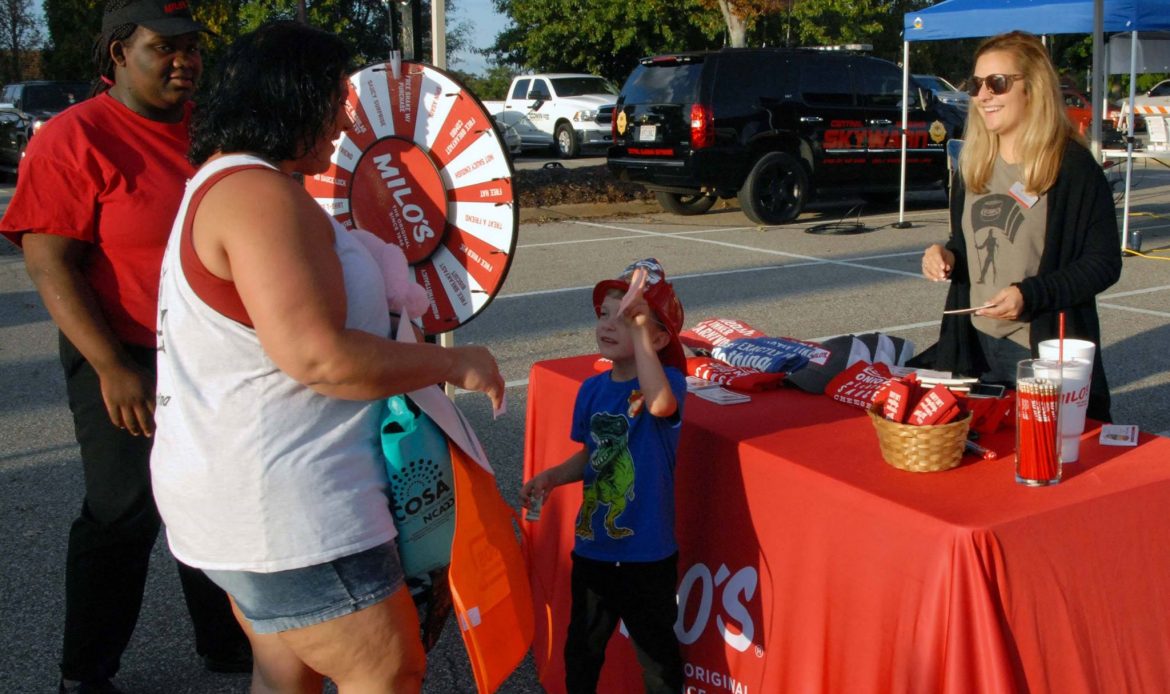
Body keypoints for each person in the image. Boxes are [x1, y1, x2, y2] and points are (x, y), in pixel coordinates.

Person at [149, 20, 505, 693]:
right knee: (388, 669)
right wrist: (453, 364)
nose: (345, 121)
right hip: (290, 511)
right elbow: (321, 360)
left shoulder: (233, 184)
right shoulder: (257, 196)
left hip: (242, 500)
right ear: (289, 98)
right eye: (335, 101)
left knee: (288, 672)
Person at [0, 1, 252, 691]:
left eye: (191, 47)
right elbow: (49, 263)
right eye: (163, 48)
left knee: (212, 496)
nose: (184, 61)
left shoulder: (211, 129)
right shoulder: (75, 137)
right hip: (121, 351)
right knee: (123, 510)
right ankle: (85, 672)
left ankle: (225, 641)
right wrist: (111, 366)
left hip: (208, 353)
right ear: (117, 53)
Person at [917, 30, 1122, 422]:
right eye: (976, 84)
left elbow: (1103, 263)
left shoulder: (1071, 167)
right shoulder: (972, 163)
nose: (983, 95)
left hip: (1040, 352)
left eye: (997, 83)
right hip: (975, 347)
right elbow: (965, 244)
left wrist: (1030, 295)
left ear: (1033, 88)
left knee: (1046, 453)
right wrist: (945, 256)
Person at [520, 258, 687, 694]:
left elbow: (659, 405)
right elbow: (591, 455)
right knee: (582, 649)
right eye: (604, 314)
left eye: (627, 318)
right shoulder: (591, 389)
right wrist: (552, 476)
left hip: (648, 554)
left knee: (658, 658)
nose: (610, 324)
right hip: (593, 547)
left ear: (659, 338)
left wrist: (641, 331)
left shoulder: (668, 382)